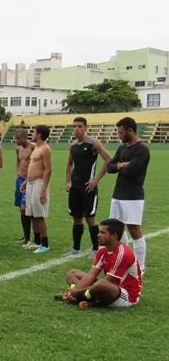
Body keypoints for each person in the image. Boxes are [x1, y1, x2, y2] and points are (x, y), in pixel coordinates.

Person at [58, 218, 142, 309]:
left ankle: (81, 297)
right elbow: (91, 275)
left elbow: (107, 281)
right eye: (99, 232)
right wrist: (75, 291)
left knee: (101, 284)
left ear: (114, 236)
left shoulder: (123, 254)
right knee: (72, 273)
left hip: (126, 295)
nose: (98, 235)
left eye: (102, 233)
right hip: (109, 287)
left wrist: (76, 291)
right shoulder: (102, 249)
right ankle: (82, 297)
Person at [106, 117, 151, 270]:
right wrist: (121, 165)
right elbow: (109, 167)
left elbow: (132, 171)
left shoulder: (142, 150)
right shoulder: (122, 148)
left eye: (121, 132)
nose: (119, 135)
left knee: (134, 229)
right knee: (116, 229)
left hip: (133, 195)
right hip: (117, 194)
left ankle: (140, 267)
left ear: (130, 131)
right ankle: (124, 260)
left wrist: (118, 166)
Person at [65, 117, 112, 256]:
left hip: (88, 188)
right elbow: (69, 165)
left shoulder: (93, 143)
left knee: (90, 218)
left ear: (85, 127)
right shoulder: (73, 146)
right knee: (76, 218)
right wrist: (68, 181)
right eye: (74, 126)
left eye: (79, 126)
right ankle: (76, 248)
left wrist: (96, 180)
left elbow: (109, 159)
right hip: (75, 188)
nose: (76, 129)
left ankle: (96, 249)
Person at [21, 125, 52, 254]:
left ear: (39, 134)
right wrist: (25, 182)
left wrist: (43, 189)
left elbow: (47, 169)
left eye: (34, 132)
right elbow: (32, 168)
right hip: (30, 183)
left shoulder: (45, 149)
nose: (32, 134)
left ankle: (45, 244)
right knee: (32, 215)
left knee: (39, 215)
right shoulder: (36, 148)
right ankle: (37, 241)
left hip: (39, 183)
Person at [14, 129, 36, 248]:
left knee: (25, 209)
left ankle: (30, 237)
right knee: (21, 208)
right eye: (16, 138)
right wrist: (17, 175)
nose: (17, 141)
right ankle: (25, 235)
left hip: (29, 181)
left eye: (19, 138)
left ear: (25, 137)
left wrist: (28, 179)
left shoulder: (33, 147)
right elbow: (19, 162)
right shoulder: (18, 148)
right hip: (20, 180)